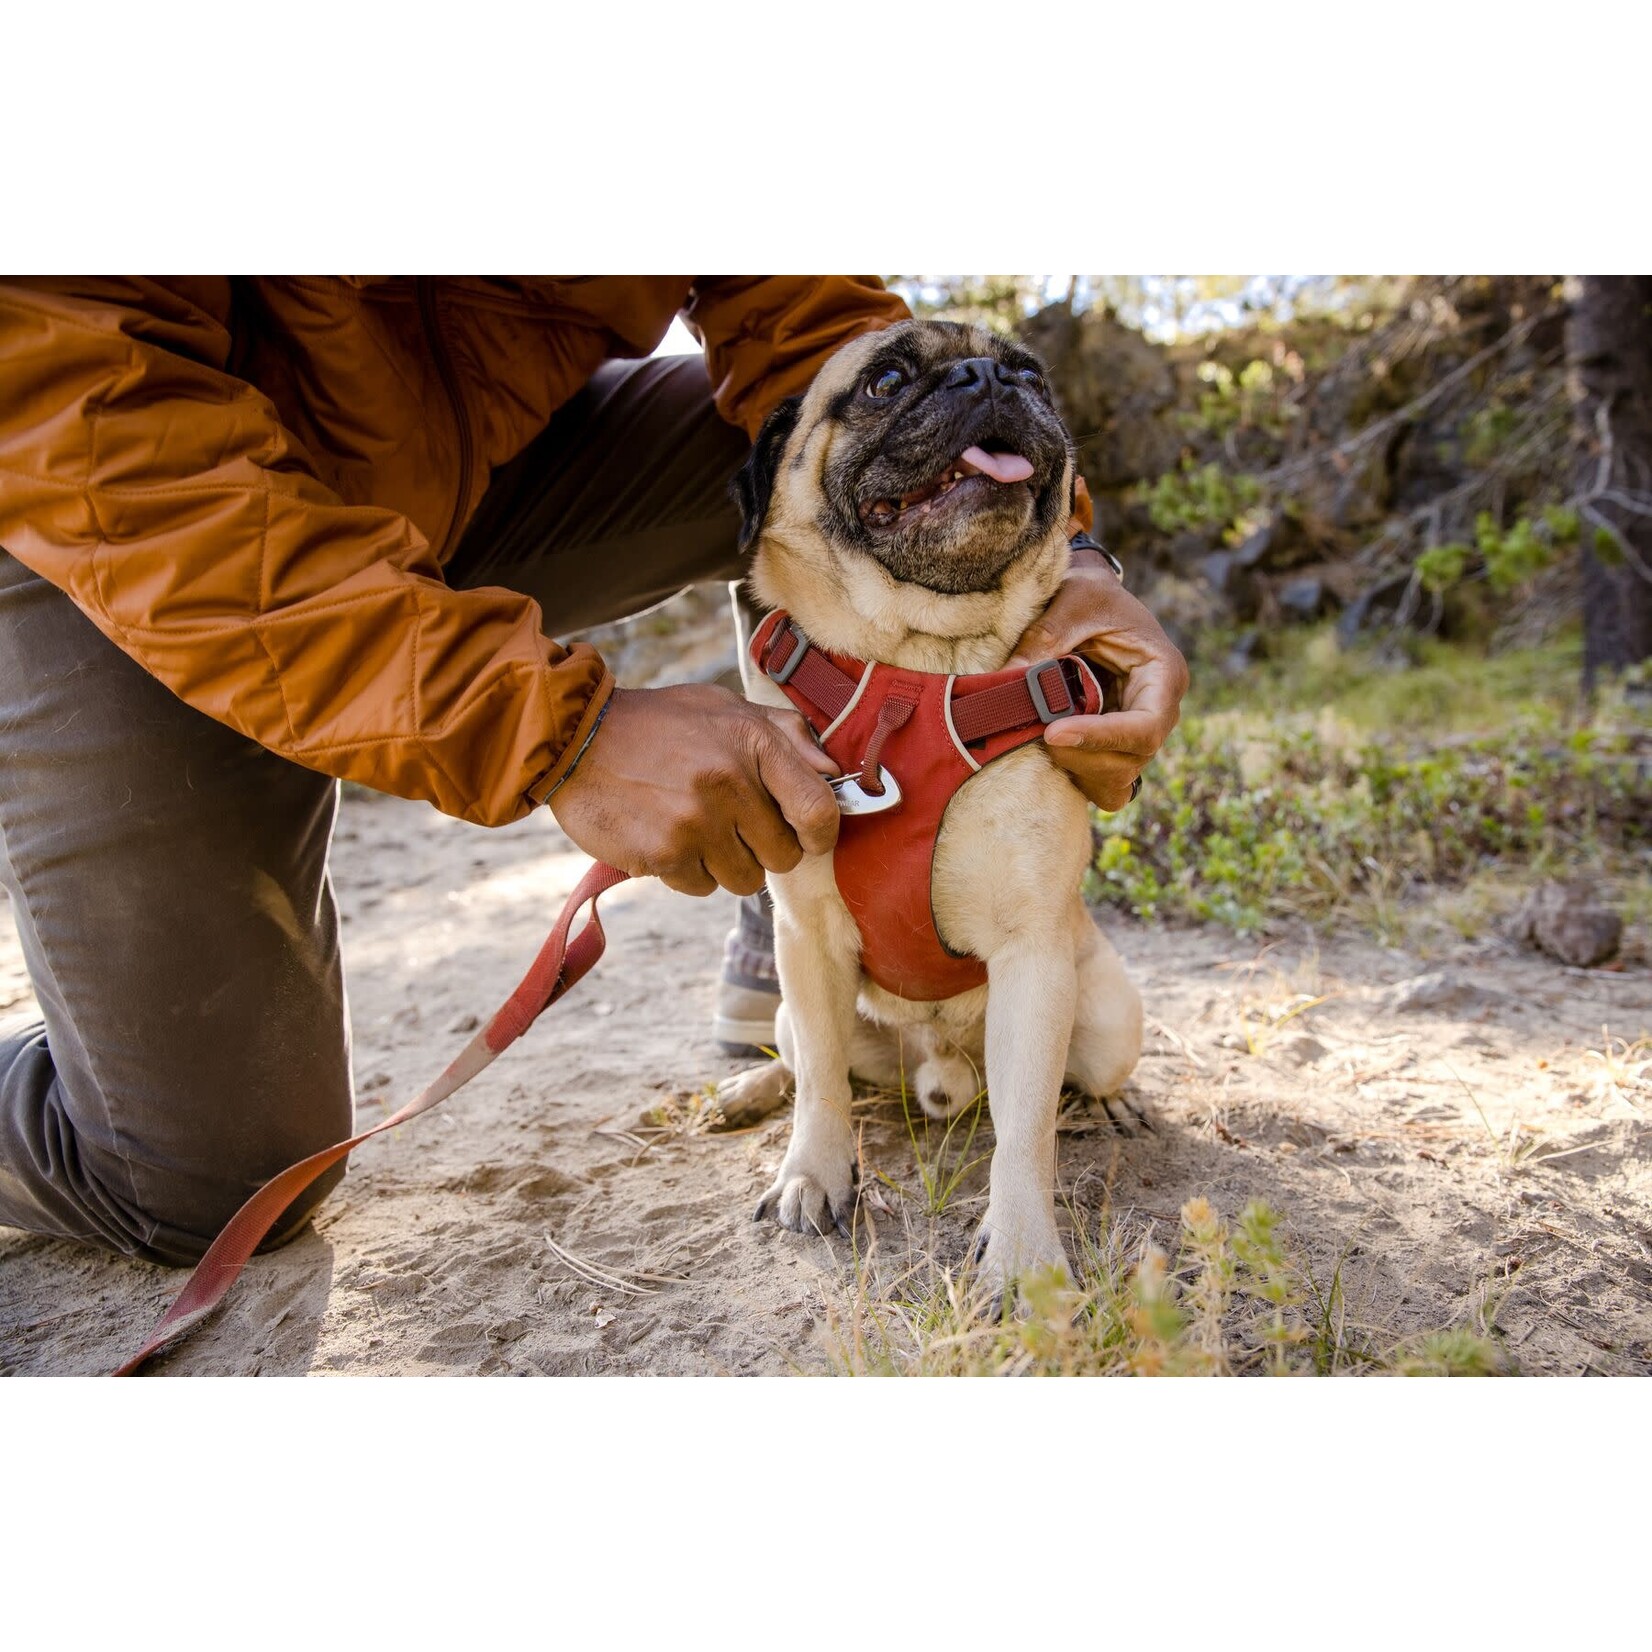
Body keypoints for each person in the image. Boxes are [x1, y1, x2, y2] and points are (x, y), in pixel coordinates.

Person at [0, 276, 1187, 1267]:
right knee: (208, 1178)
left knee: (806, 449)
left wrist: (1064, 553)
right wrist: (551, 728)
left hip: (479, 462)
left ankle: (822, 848)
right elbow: (90, 418)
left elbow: (810, 324)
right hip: (127, 520)